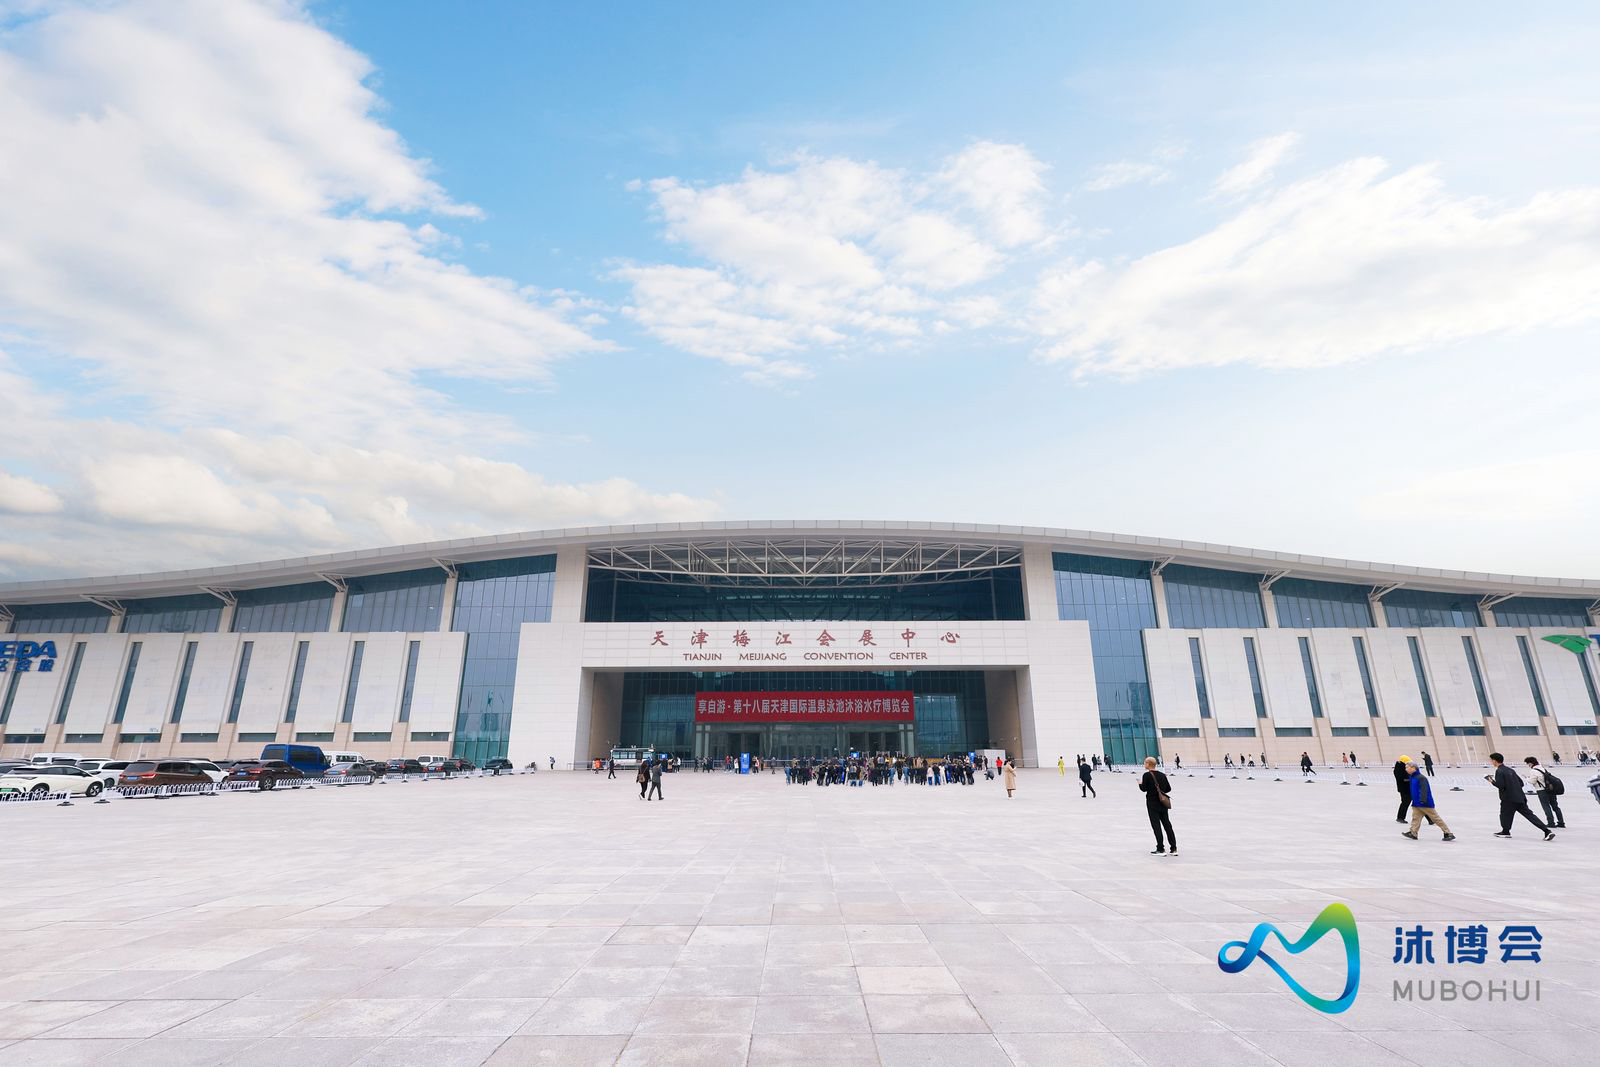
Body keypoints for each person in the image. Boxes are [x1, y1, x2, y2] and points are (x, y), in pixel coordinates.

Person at [1487, 753, 1553, 841]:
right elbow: (1521, 783)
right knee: (1530, 815)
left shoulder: (1499, 771)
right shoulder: (1510, 770)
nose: (1491, 762)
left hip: (1508, 799)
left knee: (1505, 815)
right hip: (1520, 797)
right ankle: (1547, 831)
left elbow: (1500, 785)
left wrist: (1491, 781)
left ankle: (1505, 832)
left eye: (1491, 760)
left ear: (1495, 761)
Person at [1401, 759, 1455, 842]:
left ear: (1413, 768)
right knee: (1415, 819)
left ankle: (1448, 833)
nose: (1406, 769)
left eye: (1407, 767)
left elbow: (1424, 790)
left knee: (1435, 818)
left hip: (1424, 803)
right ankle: (1413, 833)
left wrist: (1423, 800)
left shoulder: (1421, 778)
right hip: (1416, 803)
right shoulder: (1412, 777)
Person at [1139, 756, 1176, 856]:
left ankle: (1160, 849)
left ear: (1148, 764)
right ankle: (1173, 848)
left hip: (1152, 804)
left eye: (1145, 763)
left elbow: (1144, 789)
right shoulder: (1162, 775)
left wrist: (1140, 784)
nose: (1144, 764)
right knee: (1167, 825)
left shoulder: (1146, 775)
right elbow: (1168, 789)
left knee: (1156, 826)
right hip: (1163, 803)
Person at [1524, 757, 1566, 829]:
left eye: (1528, 764)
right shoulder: (1542, 768)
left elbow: (1532, 781)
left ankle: (1551, 823)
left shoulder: (1533, 771)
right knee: (1555, 807)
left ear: (1531, 763)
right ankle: (1561, 822)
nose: (1528, 765)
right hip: (1551, 790)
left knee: (1546, 807)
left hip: (1542, 791)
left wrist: (1526, 778)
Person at [1393, 756, 1412, 823]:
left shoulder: (1403, 767)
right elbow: (1400, 778)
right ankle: (1400, 818)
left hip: (1408, 788)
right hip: (1404, 789)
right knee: (1405, 803)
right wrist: (1409, 780)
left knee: (1418, 802)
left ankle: (1430, 819)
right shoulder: (1399, 769)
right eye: (1407, 762)